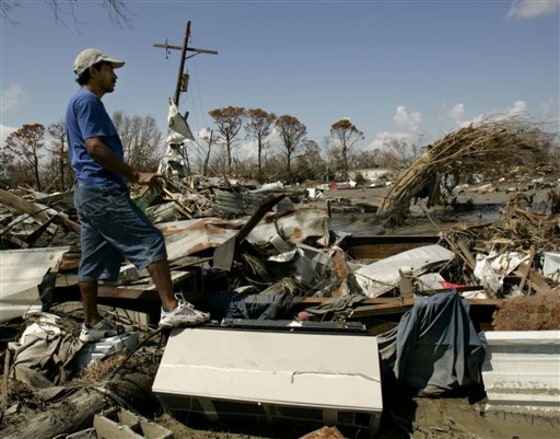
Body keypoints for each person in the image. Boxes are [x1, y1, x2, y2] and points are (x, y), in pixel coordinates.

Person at [65, 48, 210, 343]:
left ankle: (91, 323)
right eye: (109, 69)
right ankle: (170, 308)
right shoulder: (88, 101)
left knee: (91, 260)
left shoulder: (77, 103)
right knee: (150, 240)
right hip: (103, 191)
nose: (115, 75)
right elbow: (94, 147)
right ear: (93, 71)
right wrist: (135, 175)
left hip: (87, 193)